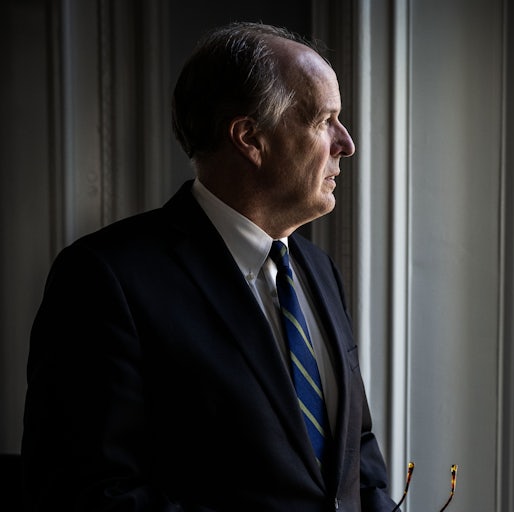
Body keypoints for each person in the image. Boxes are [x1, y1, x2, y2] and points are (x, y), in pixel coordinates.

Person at [21, 21, 397, 511]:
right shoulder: (104, 279)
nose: (346, 143)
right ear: (249, 138)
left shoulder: (317, 269)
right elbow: (91, 492)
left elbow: (357, 452)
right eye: (324, 121)